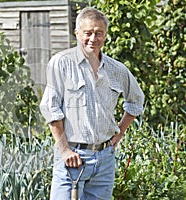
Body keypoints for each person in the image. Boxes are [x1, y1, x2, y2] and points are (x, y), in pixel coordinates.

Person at [40, 7, 144, 199]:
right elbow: (50, 108)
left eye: (99, 33)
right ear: (77, 32)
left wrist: (119, 132)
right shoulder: (61, 63)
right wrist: (64, 150)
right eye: (88, 33)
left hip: (105, 160)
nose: (93, 39)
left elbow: (136, 101)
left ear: (105, 35)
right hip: (73, 158)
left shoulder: (117, 69)